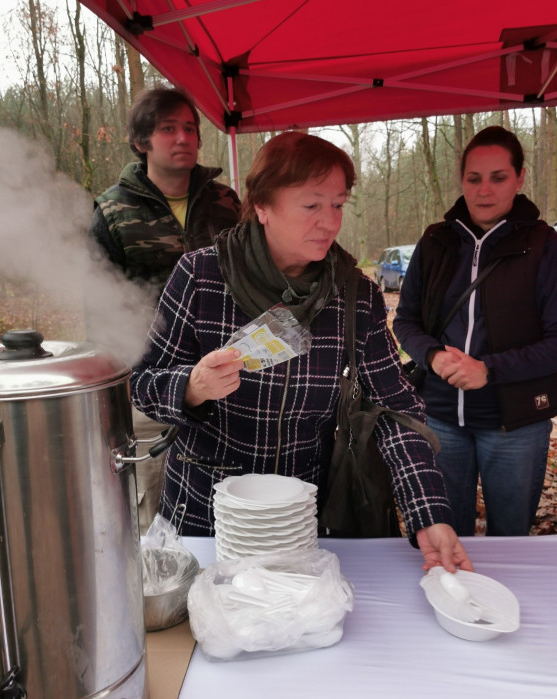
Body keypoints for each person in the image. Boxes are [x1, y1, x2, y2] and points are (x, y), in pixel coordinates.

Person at [130, 130, 472, 573]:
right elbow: (142, 384)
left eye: (338, 204)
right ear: (262, 207)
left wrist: (428, 513)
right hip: (205, 517)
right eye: (312, 205)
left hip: (299, 520)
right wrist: (192, 387)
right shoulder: (201, 276)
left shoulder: (355, 296)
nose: (329, 221)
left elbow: (396, 411)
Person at [89, 86, 241, 532]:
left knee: (227, 510)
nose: (183, 138)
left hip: (226, 379)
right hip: (153, 388)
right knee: (159, 521)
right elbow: (99, 308)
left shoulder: (227, 202)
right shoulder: (112, 211)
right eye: (168, 129)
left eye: (190, 128)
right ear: (142, 142)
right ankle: (165, 605)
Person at [394, 125, 557, 537]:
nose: (484, 190)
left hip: (514, 423)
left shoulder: (544, 245)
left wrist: (489, 369)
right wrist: (432, 356)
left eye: (498, 178)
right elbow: (406, 320)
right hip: (441, 417)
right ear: (461, 180)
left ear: (519, 179)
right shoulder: (436, 241)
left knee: (509, 538)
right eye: (474, 178)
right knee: (447, 532)